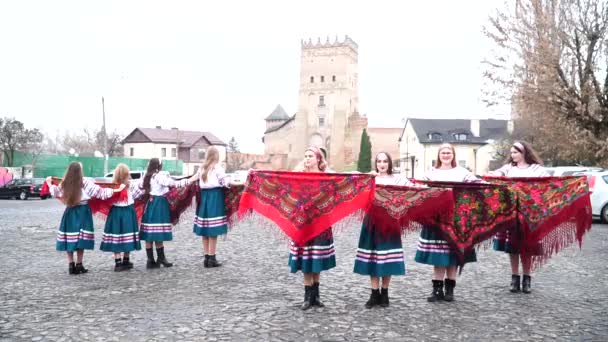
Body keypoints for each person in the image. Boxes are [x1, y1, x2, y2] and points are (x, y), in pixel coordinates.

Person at [414, 143, 478, 302]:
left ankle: (450, 290)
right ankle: (437, 291)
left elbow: (477, 185)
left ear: (453, 155)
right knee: (438, 257)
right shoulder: (431, 173)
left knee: (453, 256)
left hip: (457, 219)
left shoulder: (463, 173)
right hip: (436, 219)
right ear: (439, 155)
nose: (446, 155)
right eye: (443, 152)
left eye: (449, 152)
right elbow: (421, 191)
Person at [489, 141, 549, 294]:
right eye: (511, 152)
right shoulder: (508, 168)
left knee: (526, 247)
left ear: (524, 153)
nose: (512, 155)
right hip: (511, 212)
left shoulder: (536, 169)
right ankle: (514, 277)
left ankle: (527, 278)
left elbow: (547, 182)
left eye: (515, 152)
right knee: (512, 247)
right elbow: (494, 175)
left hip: (530, 214)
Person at [354, 152, 410, 308]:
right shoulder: (371, 179)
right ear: (376, 164)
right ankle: (374, 293)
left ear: (389, 163)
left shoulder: (398, 179)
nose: (382, 164)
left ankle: (385, 293)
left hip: (390, 221)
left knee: (388, 257)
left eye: (385, 161)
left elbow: (415, 189)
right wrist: (366, 176)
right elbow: (351, 181)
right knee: (372, 257)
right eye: (379, 161)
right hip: (371, 221)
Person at [47, 162, 124, 274]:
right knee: (80, 238)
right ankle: (79, 264)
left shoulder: (65, 183)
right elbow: (100, 193)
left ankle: (71, 265)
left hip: (70, 211)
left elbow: (55, 192)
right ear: (79, 171)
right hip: (83, 211)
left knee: (69, 237)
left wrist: (49, 183)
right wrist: (117, 190)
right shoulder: (85, 182)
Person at [290, 146, 336, 310]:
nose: (307, 158)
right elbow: (282, 184)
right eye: (305, 155)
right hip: (303, 222)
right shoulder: (298, 176)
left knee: (316, 258)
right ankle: (307, 296)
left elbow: (345, 181)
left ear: (318, 159)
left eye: (310, 156)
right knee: (305, 259)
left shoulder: (327, 176)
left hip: (321, 222)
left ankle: (316, 296)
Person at [140, 158, 197, 269]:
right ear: (159, 166)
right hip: (158, 205)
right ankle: (160, 258)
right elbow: (173, 183)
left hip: (150, 205)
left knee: (149, 234)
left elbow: (139, 188)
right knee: (158, 232)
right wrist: (191, 180)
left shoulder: (147, 177)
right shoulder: (159, 176)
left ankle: (150, 260)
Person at [193, 146, 242, 267]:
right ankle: (212, 259)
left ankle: (206, 258)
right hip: (214, 198)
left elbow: (192, 180)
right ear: (216, 156)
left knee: (205, 230)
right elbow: (227, 182)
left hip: (204, 199)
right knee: (213, 230)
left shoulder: (202, 168)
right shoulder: (217, 168)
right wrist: (242, 183)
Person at [99, 164, 143, 271]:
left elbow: (104, 195)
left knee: (117, 235)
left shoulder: (112, 186)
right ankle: (125, 260)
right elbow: (139, 193)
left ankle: (118, 262)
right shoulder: (130, 186)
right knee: (127, 234)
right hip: (128, 211)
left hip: (116, 212)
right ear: (125, 175)